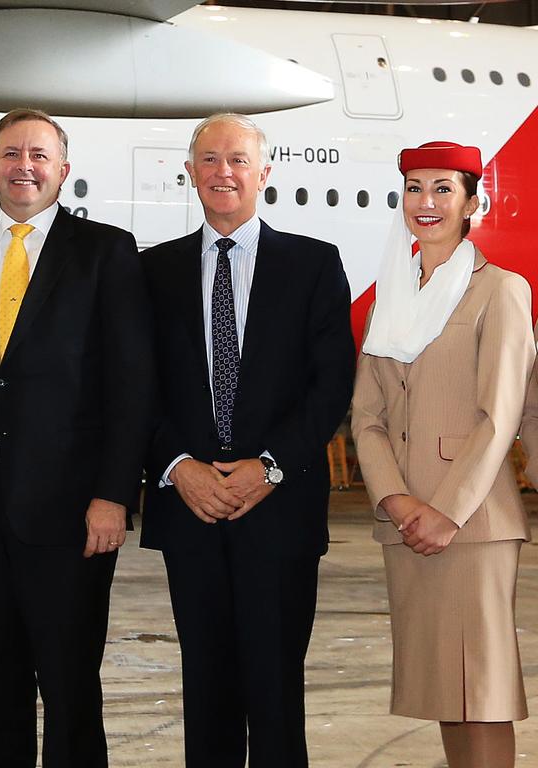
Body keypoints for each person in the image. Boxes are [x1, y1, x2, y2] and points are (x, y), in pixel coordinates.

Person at [0, 108, 155, 767]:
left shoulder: (106, 252)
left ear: (63, 171)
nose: (26, 165)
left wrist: (114, 494)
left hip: (72, 516)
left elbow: (130, 386)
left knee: (71, 689)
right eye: (12, 152)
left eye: (40, 155)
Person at [140, 113, 355, 767]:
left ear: (265, 173)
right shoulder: (152, 271)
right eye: (209, 160)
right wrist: (179, 467)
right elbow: (133, 389)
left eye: (237, 160)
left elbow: (331, 385)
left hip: (280, 512)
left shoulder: (314, 265)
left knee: (276, 694)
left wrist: (271, 467)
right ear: (190, 174)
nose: (223, 172)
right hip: (191, 511)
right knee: (204, 693)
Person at [352, 141, 533, 768]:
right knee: (445, 694)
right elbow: (367, 415)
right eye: (414, 189)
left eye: (442, 189)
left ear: (470, 202)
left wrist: (446, 512)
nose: (425, 203)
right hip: (407, 521)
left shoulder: (500, 291)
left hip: (472, 523)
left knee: (481, 690)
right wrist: (395, 498)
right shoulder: (390, 298)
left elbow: (499, 415)